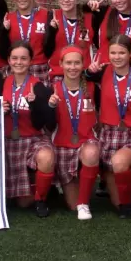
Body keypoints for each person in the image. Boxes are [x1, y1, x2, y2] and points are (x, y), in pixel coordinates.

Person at [85, 35, 131, 219]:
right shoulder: (104, 71)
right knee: (117, 200)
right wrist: (90, 71)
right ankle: (124, 196)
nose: (117, 57)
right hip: (108, 134)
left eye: (121, 52)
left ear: (130, 53)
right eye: (113, 53)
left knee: (119, 162)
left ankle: (127, 208)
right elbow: (86, 76)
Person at [45, 46, 100, 220]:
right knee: (71, 205)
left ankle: (84, 204)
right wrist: (50, 107)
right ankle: (72, 189)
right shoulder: (52, 89)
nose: (73, 67)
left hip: (86, 142)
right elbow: (46, 123)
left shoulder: (92, 88)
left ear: (84, 64)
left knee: (91, 152)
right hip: (62, 146)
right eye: (68, 63)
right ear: (61, 64)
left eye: (77, 63)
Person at [2, 41, 56, 217]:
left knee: (46, 156)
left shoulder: (39, 86)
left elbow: (44, 123)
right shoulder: (0, 83)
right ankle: (40, 186)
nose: (19, 62)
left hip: (33, 138)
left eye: (23, 58)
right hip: (8, 141)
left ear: (30, 61)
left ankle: (41, 199)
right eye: (15, 58)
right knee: (22, 203)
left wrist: (35, 104)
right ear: (9, 60)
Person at [0, 0, 52, 84]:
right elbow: (3, 49)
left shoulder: (47, 15)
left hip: (39, 68)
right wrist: (3, 31)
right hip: (16, 69)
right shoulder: (8, 18)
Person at [44, 0, 94, 83]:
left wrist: (92, 4)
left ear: (77, 0)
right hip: (58, 74)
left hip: (83, 74)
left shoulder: (90, 17)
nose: (66, 0)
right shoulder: (52, 15)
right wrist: (52, 31)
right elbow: (47, 50)